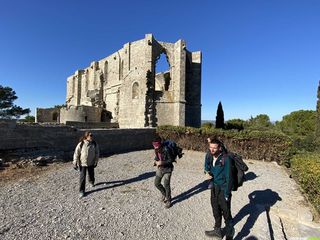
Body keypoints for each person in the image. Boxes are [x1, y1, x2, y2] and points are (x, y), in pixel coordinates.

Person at [204, 138, 235, 240]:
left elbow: (229, 177)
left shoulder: (226, 159)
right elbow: (207, 168)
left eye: (214, 148)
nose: (212, 150)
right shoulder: (210, 156)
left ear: (220, 148)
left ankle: (230, 235)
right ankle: (217, 231)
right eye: (211, 147)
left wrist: (227, 194)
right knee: (215, 210)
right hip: (214, 187)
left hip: (223, 189)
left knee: (226, 213)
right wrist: (207, 173)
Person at [73, 131, 100, 198]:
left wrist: (96, 161)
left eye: (92, 135)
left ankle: (91, 182)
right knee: (82, 177)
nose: (92, 136)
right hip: (83, 163)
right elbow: (76, 153)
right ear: (86, 136)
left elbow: (97, 153)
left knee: (91, 174)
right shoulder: (81, 144)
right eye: (90, 135)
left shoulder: (94, 143)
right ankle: (81, 191)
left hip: (91, 162)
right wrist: (75, 162)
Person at [152, 136, 175, 208]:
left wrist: (162, 162)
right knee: (156, 183)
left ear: (160, 144)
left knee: (166, 184)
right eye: (154, 146)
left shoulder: (166, 149)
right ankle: (164, 193)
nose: (156, 148)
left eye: (157, 146)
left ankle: (169, 200)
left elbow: (171, 160)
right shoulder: (156, 149)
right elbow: (157, 157)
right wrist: (155, 161)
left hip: (168, 169)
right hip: (160, 169)